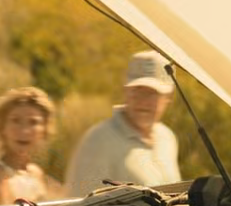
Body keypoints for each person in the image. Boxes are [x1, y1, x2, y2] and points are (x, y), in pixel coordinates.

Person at [63, 50, 182, 197]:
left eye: (152, 93)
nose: (143, 101)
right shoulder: (98, 141)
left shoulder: (167, 138)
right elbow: (80, 205)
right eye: (137, 90)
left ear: (168, 97)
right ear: (125, 91)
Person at [0, 86, 63, 204]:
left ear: (44, 130)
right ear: (2, 127)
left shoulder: (36, 173)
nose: (24, 131)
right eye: (15, 121)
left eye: (33, 122)